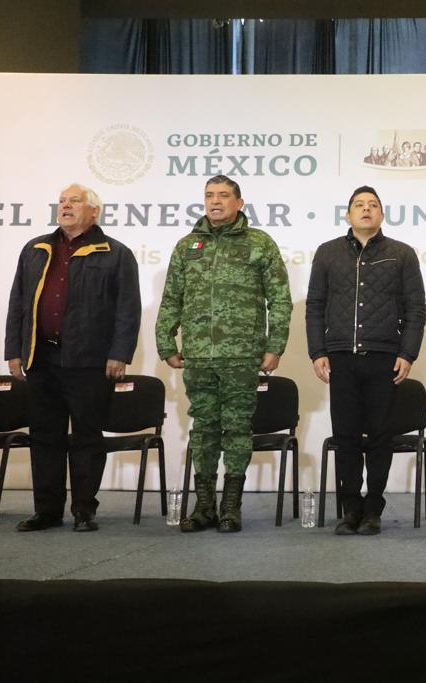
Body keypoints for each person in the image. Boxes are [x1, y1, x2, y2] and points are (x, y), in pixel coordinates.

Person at [156, 175, 291, 533]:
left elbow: (280, 299)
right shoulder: (187, 246)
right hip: (198, 355)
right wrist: (166, 342)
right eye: (209, 195)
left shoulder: (259, 243)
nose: (215, 201)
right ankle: (204, 507)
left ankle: (231, 506)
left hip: (241, 355)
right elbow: (171, 298)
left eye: (223, 195)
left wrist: (275, 345)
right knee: (203, 429)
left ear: (239, 203)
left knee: (237, 428)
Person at [5, 183, 141, 532]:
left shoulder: (116, 253)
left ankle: (84, 510)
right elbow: (18, 302)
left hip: (89, 361)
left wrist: (119, 353)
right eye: (62, 201)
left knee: (86, 437)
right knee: (44, 437)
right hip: (41, 359)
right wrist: (14, 350)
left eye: (74, 201)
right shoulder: (35, 249)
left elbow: (128, 310)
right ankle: (47, 511)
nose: (65, 206)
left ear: (94, 211)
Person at [306, 186, 426, 536]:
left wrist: (407, 353)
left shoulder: (401, 254)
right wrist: (317, 351)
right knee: (345, 437)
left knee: (378, 437)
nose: (366, 209)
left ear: (381, 215)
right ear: (348, 214)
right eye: (359, 205)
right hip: (340, 358)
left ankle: (373, 508)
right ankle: (350, 509)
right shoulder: (328, 253)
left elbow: (415, 309)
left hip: (384, 358)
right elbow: (315, 307)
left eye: (373, 205)